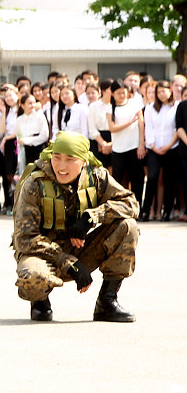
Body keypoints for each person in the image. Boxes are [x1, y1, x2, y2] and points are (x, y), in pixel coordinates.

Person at [13, 132, 138, 323]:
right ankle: (39, 301)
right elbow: (24, 239)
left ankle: (107, 301)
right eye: (57, 158)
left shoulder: (97, 177)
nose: (61, 166)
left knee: (127, 226)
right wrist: (68, 263)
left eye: (70, 160)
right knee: (33, 278)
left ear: (83, 162)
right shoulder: (35, 184)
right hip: (43, 254)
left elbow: (130, 203)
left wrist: (92, 217)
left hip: (80, 248)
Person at [141, 81, 179, 221]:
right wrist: (153, 145)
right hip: (154, 148)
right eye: (159, 92)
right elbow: (148, 127)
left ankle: (166, 212)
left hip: (171, 148)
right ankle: (146, 211)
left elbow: (177, 128)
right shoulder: (150, 107)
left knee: (169, 181)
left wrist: (169, 145)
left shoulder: (176, 106)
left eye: (164, 91)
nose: (162, 94)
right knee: (152, 177)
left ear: (170, 91)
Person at [107, 82, 146, 210]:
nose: (121, 95)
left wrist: (141, 144)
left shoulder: (134, 104)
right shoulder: (109, 108)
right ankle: (120, 207)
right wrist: (129, 122)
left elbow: (141, 124)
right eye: (118, 93)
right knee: (118, 180)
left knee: (137, 179)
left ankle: (137, 206)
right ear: (113, 94)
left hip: (134, 147)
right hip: (118, 149)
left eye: (123, 92)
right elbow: (112, 128)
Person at [16, 92, 51, 172]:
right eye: (29, 103)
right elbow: (19, 136)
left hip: (39, 149)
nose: (32, 105)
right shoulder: (19, 119)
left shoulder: (40, 116)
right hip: (25, 151)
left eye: (34, 103)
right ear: (22, 105)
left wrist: (27, 140)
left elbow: (45, 135)